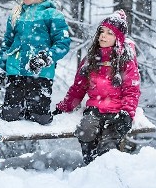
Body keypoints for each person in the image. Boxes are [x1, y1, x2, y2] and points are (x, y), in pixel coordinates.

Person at [53, 10, 140, 165]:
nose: (103, 36)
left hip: (117, 110)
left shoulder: (125, 61)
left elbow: (132, 89)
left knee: (109, 142)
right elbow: (78, 88)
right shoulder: (91, 60)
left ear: (118, 38)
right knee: (85, 130)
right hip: (95, 108)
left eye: (109, 33)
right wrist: (65, 106)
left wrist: (127, 113)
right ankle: (90, 164)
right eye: (102, 31)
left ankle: (105, 171)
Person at [0, 0, 71, 125]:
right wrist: (1, 66)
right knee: (9, 115)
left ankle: (39, 116)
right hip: (15, 71)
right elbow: (7, 43)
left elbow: (63, 43)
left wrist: (46, 57)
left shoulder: (52, 15)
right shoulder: (16, 14)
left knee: (40, 117)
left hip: (40, 73)